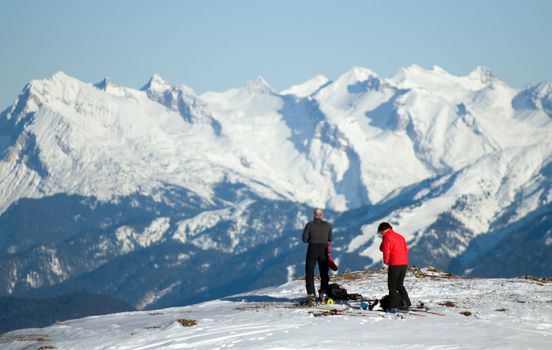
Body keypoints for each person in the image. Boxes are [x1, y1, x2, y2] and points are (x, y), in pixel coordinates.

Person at [378, 222, 411, 313]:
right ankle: (407, 304)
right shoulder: (400, 236)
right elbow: (405, 250)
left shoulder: (387, 237)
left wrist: (386, 261)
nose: (380, 235)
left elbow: (386, 251)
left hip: (394, 264)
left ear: (383, 231)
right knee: (400, 285)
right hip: (404, 263)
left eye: (380, 233)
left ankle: (393, 307)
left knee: (392, 286)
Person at [302, 208, 333, 305]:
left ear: (313, 215)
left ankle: (311, 295)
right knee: (324, 272)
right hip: (323, 249)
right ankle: (323, 294)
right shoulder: (327, 225)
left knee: (309, 271)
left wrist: (312, 239)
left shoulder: (309, 225)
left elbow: (304, 239)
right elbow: (330, 238)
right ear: (322, 215)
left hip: (312, 249)